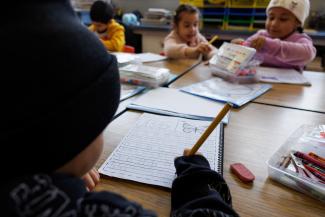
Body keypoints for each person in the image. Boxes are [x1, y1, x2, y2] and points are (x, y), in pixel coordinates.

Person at [1, 1, 239, 216]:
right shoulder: (99, 211)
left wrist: (62, 171)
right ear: (73, 138)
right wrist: (197, 181)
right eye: (100, 124)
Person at [232, 0, 316, 71]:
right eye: (271, 17)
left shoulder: (300, 39)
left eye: (283, 19)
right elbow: (246, 51)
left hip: (291, 87)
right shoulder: (261, 35)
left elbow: (308, 54)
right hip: (260, 82)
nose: (274, 24)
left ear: (297, 23)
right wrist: (239, 47)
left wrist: (271, 46)